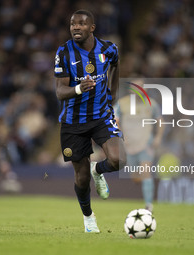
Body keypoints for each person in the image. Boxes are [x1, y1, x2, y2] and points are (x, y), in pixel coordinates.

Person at [54, 9, 126, 233]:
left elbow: (115, 65)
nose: (76, 27)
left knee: (118, 160)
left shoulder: (108, 49)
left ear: (92, 28)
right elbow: (59, 91)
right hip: (74, 123)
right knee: (82, 178)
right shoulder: (64, 53)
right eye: (73, 24)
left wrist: (112, 93)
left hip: (102, 116)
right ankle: (88, 217)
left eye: (82, 24)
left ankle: (99, 170)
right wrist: (78, 88)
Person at [115, 80, 164, 212]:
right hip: (129, 144)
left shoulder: (152, 104)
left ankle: (149, 205)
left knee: (145, 171)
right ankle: (145, 188)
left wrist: (158, 137)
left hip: (146, 142)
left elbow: (160, 121)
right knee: (136, 177)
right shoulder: (122, 104)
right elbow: (115, 121)